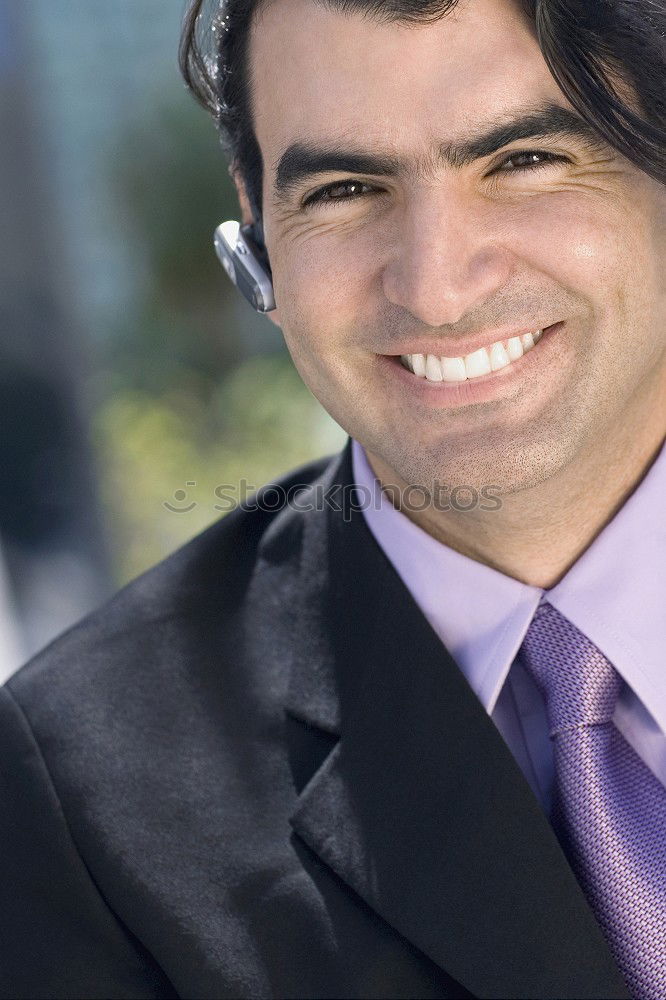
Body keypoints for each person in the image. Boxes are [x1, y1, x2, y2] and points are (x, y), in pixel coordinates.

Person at [1, 0, 664, 996]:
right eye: (348, 187)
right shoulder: (86, 805)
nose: (436, 288)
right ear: (258, 228)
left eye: (525, 160)